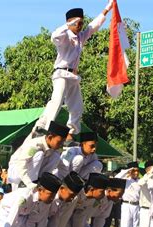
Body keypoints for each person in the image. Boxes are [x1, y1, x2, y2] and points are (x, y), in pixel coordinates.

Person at [33, 1, 114, 141]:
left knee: (77, 107)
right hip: (61, 74)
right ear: (70, 22)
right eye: (78, 23)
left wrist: (108, 8)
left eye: (81, 23)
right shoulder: (64, 36)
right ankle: (42, 128)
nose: (80, 26)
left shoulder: (81, 37)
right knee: (57, 101)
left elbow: (94, 25)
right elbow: (54, 36)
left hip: (73, 76)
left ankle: (71, 133)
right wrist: (68, 25)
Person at [8, 121, 69, 190]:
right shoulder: (35, 146)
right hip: (17, 172)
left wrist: (68, 183)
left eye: (63, 142)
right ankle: (29, 184)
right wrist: (29, 183)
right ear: (50, 137)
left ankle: (41, 182)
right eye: (60, 142)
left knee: (56, 157)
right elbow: (21, 164)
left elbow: (63, 167)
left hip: (31, 173)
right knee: (39, 155)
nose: (62, 144)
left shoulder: (53, 150)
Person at [115, 162, 141, 227]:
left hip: (136, 206)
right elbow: (116, 177)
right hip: (127, 205)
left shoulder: (139, 181)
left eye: (137, 171)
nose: (136, 173)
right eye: (134, 171)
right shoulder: (126, 180)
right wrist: (127, 171)